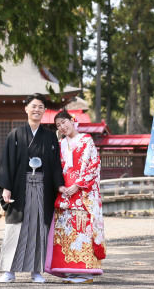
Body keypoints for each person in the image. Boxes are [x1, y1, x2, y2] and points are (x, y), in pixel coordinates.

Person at [0, 93, 65, 283]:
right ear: (26, 109)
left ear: (44, 111)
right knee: (16, 227)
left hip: (42, 187)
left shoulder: (50, 137)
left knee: (39, 227)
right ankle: (9, 271)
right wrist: (5, 188)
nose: (37, 110)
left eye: (41, 107)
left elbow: (56, 164)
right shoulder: (15, 134)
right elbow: (6, 163)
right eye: (33, 106)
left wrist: (60, 186)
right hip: (19, 187)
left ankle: (37, 271)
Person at [45, 110, 105, 284]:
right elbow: (57, 168)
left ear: (72, 121)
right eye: (58, 125)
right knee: (66, 233)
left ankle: (85, 273)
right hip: (64, 194)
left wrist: (77, 185)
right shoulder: (60, 144)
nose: (62, 127)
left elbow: (93, 166)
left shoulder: (86, 140)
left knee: (82, 232)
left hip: (83, 194)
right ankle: (70, 271)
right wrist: (61, 186)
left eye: (64, 122)